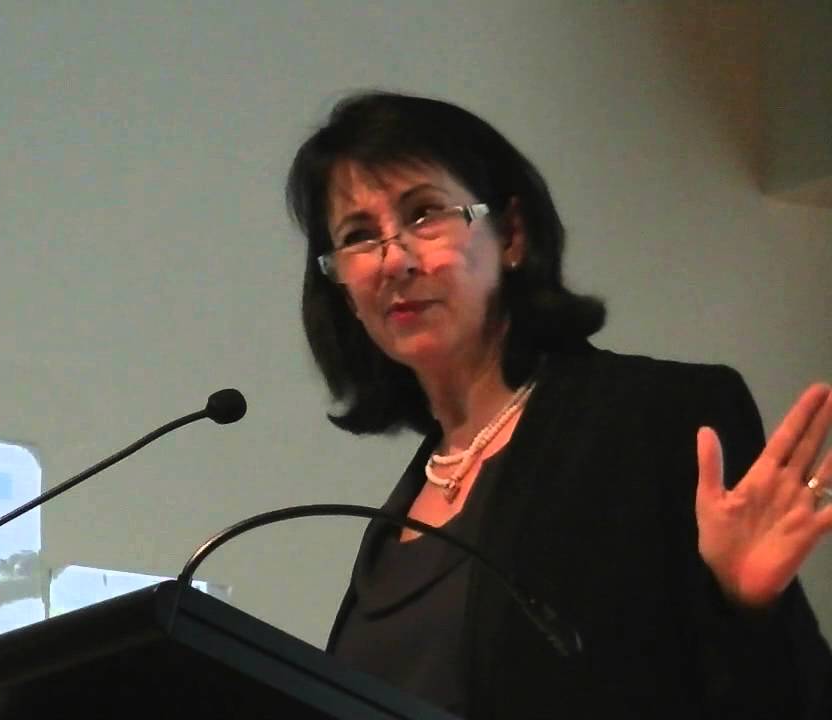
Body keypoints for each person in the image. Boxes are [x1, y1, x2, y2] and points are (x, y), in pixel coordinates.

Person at [285, 91, 832, 719]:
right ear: (344, 291)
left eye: (425, 214)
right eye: (358, 236)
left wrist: (748, 609)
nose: (394, 259)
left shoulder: (657, 419)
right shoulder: (398, 517)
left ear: (511, 234)